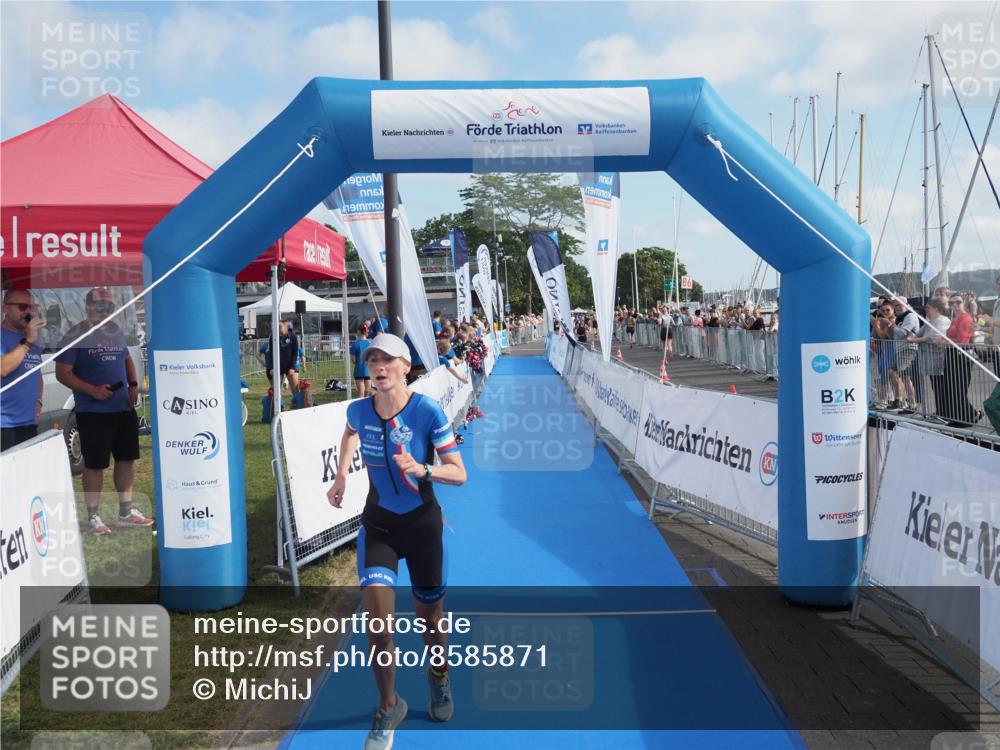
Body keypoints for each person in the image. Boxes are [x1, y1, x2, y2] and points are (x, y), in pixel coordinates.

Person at [327, 333, 467, 750]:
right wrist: (340, 474)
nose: (379, 368)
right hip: (380, 526)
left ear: (406, 366)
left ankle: (439, 676)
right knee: (378, 629)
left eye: (388, 360)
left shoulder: (427, 412)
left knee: (430, 621)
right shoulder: (358, 409)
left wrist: (423, 469)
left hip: (423, 527)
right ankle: (389, 705)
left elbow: (458, 472)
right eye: (372, 362)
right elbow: (350, 431)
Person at [55, 287, 153, 534]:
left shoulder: (115, 331)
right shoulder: (75, 335)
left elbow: (127, 360)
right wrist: (91, 390)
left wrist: (132, 385)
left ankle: (126, 512)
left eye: (108, 306)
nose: (105, 310)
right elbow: (62, 373)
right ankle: (94, 517)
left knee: (126, 459)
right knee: (95, 465)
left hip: (122, 408)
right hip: (93, 411)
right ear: (88, 307)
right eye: (100, 306)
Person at [1, 289, 46, 451]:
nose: (28, 312)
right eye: (22, 307)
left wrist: (39, 401)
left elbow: (36, 373)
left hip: (28, 423)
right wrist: (27, 342)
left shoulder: (33, 338)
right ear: (5, 309)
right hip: (4, 424)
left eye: (31, 307)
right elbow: (3, 369)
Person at [941, 295, 979, 425]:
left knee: (958, 388)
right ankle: (967, 415)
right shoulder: (955, 318)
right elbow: (949, 336)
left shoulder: (965, 318)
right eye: (952, 302)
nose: (955, 305)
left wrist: (945, 341)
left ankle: (967, 417)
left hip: (961, 356)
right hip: (952, 355)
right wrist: (945, 340)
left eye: (958, 302)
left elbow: (962, 341)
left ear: (964, 303)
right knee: (953, 388)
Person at [351, 325, 372, 397]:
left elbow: (354, 360)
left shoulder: (355, 344)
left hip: (358, 371)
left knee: (361, 393)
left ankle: (361, 407)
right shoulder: (371, 343)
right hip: (369, 371)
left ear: (359, 332)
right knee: (368, 392)